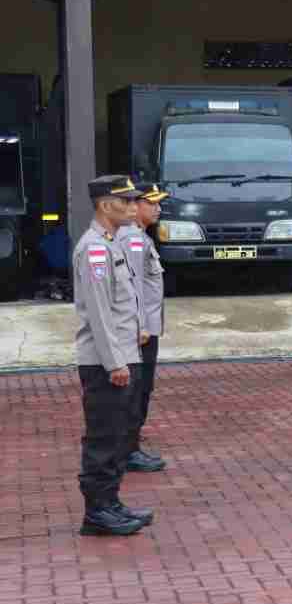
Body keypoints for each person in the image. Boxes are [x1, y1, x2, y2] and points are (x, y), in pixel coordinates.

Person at [73, 176, 153, 536]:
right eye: (125, 201)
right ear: (106, 206)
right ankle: (97, 513)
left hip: (122, 353)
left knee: (117, 434)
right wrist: (115, 362)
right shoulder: (93, 249)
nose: (132, 207)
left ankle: (111, 502)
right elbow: (99, 312)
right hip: (106, 361)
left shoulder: (110, 244)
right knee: (103, 437)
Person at [115, 182, 169, 474]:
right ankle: (128, 451)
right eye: (152, 203)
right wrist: (140, 325)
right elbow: (132, 286)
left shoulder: (140, 238)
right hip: (141, 331)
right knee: (137, 390)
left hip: (147, 327)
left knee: (142, 389)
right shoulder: (133, 240)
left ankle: (130, 446)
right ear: (135, 206)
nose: (158, 208)